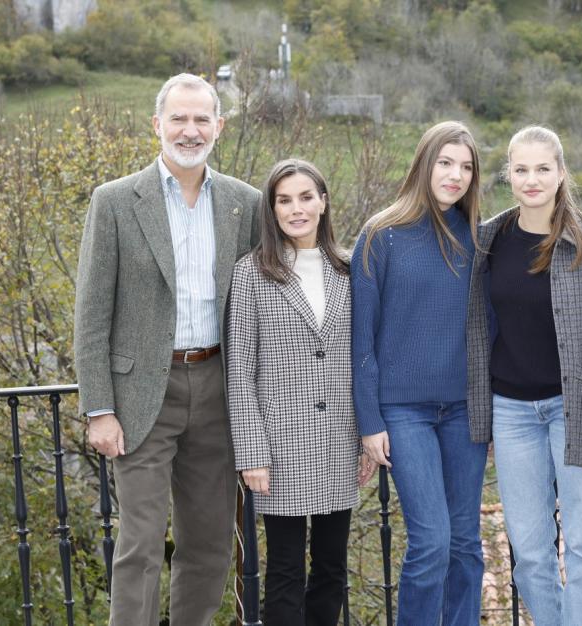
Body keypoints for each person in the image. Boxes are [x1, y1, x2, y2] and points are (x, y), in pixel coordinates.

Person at [73, 73, 260, 625]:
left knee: (209, 546)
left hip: (218, 391)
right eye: (178, 118)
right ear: (157, 124)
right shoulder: (113, 202)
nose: (190, 129)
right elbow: (91, 313)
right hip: (139, 398)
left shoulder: (243, 204)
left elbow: (258, 305)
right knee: (140, 546)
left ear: (219, 127)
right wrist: (99, 407)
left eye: (202, 118)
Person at [466, 125, 582, 625]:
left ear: (561, 173)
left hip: (578, 412)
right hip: (511, 414)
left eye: (543, 168)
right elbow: (475, 334)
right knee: (531, 551)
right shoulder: (487, 243)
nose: (532, 179)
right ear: (509, 176)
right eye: (521, 169)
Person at [226, 159, 374, 625]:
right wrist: (252, 452)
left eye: (306, 197)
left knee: (331, 569)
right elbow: (240, 372)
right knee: (285, 571)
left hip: (339, 442)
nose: (296, 209)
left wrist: (368, 435)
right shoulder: (252, 273)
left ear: (323, 202)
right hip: (281, 447)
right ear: (271, 210)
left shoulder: (351, 270)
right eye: (284, 200)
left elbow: (366, 359)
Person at [352, 121, 488, 625]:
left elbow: (488, 333)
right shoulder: (380, 235)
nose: (455, 175)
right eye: (446, 162)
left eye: (466, 167)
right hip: (403, 412)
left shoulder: (479, 238)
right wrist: (369, 424)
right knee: (430, 541)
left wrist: (489, 412)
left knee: (465, 543)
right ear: (424, 164)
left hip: (465, 411)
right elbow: (360, 340)